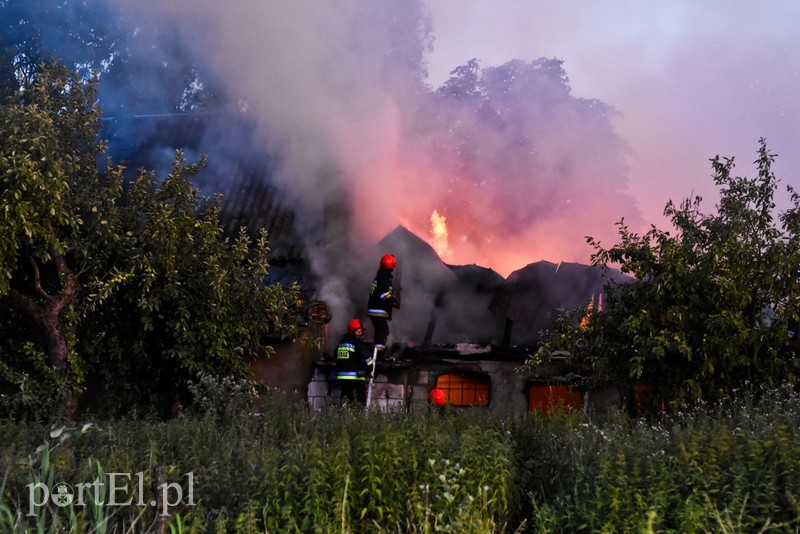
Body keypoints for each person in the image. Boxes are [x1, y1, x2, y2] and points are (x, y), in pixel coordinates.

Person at [367, 254, 399, 361]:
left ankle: (378, 354)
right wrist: (393, 301)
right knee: (382, 332)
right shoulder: (383, 277)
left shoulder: (381, 276)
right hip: (378, 310)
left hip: (376, 309)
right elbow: (383, 294)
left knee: (383, 331)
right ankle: (379, 356)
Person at [335, 318, 372, 406]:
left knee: (345, 404)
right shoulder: (358, 344)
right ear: (352, 331)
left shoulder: (341, 343)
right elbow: (369, 361)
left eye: (361, 331)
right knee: (359, 404)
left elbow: (336, 356)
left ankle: (342, 419)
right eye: (358, 331)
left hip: (342, 380)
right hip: (356, 379)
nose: (361, 333)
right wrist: (367, 370)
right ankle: (358, 419)